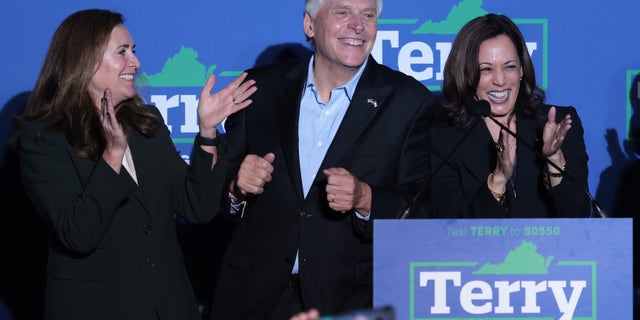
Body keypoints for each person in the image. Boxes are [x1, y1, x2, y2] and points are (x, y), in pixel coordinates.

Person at [14, 9, 256, 320]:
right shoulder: (44, 138)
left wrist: (208, 133)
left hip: (169, 307)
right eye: (122, 52)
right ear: (85, 60)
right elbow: (78, 233)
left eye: (134, 51)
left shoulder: (146, 122)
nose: (136, 62)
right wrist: (113, 156)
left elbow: (197, 207)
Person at [208, 0, 436, 319]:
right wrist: (235, 187)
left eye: (368, 15)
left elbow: (425, 213)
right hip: (252, 297)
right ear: (310, 25)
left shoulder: (410, 101)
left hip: (347, 301)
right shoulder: (259, 88)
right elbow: (210, 199)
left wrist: (365, 198)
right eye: (342, 12)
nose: (358, 24)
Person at [429, 13, 591, 218]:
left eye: (510, 67)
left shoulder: (558, 123)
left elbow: (580, 218)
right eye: (486, 69)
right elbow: (445, 230)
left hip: (549, 251)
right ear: (466, 74)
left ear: (522, 69)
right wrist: (498, 179)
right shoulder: (444, 140)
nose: (500, 80)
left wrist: (554, 160)